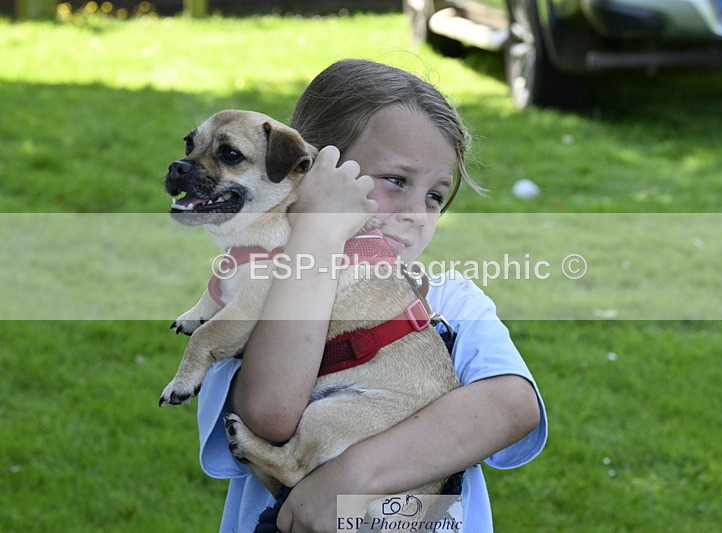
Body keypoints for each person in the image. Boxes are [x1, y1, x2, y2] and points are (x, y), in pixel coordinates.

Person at [196, 58, 548, 533]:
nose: (416, 214)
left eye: (435, 196)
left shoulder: (450, 299)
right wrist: (318, 230)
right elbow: (271, 413)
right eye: (397, 182)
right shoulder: (249, 296)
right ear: (312, 169)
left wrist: (352, 477)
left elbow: (512, 405)